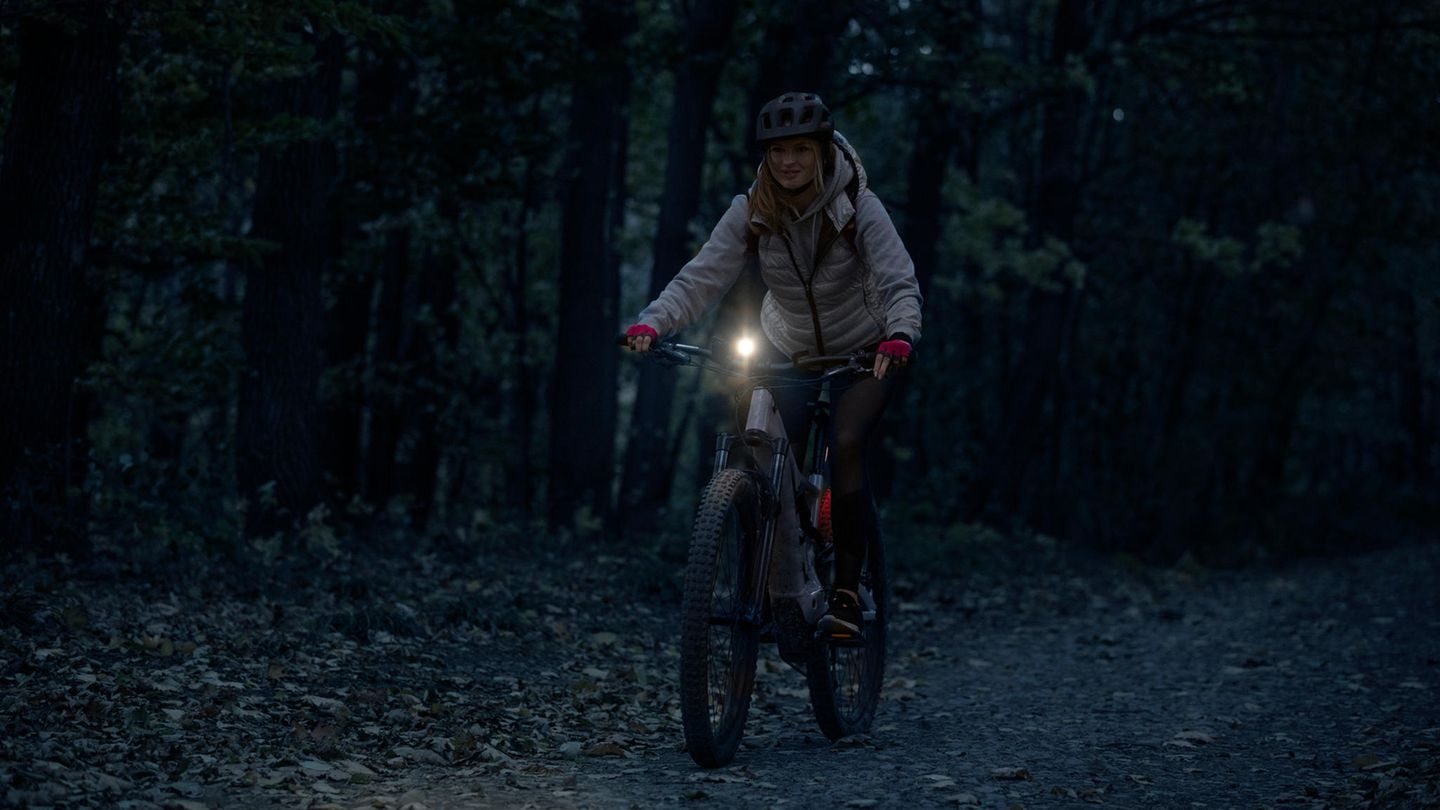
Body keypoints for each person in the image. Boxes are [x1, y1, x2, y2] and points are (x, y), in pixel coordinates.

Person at [624, 91, 923, 640]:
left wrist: (900, 334)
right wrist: (654, 321)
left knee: (848, 441)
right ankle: (774, 571)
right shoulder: (753, 208)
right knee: (761, 442)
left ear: (823, 151)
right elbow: (703, 275)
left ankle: (848, 595)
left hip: (864, 350)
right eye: (778, 151)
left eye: (801, 150)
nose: (788, 162)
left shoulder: (858, 205)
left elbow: (898, 279)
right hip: (792, 348)